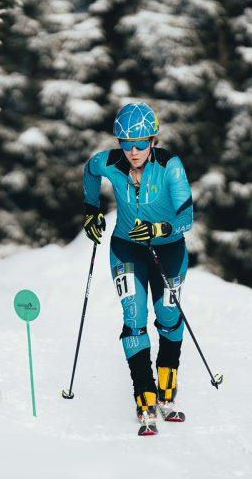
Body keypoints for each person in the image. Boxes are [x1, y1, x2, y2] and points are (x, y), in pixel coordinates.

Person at [82, 102, 194, 431]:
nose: (133, 151)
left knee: (170, 318)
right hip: (127, 248)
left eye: (141, 143)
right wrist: (92, 208)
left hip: (169, 250)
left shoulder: (170, 165)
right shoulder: (110, 162)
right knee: (133, 319)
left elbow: (187, 216)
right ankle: (144, 397)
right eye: (126, 143)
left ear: (153, 140)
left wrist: (160, 229)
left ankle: (167, 391)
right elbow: (90, 170)